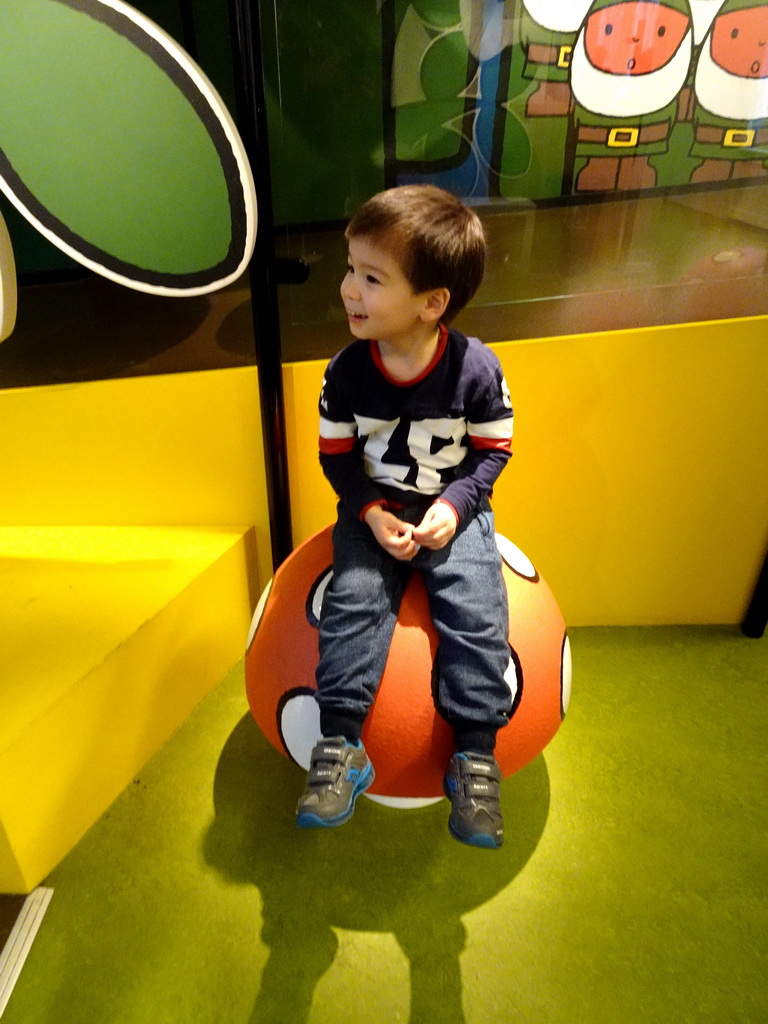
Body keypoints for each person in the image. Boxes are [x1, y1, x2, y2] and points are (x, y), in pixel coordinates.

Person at [296, 184, 514, 848]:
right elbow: (336, 460)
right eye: (350, 270)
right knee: (354, 602)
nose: (348, 290)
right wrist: (367, 512)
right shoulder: (344, 373)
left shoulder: (477, 370)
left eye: (371, 277)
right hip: (376, 513)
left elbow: (494, 451)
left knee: (477, 609)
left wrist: (454, 507)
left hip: (454, 516)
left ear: (432, 302)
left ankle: (475, 756)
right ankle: (342, 747)